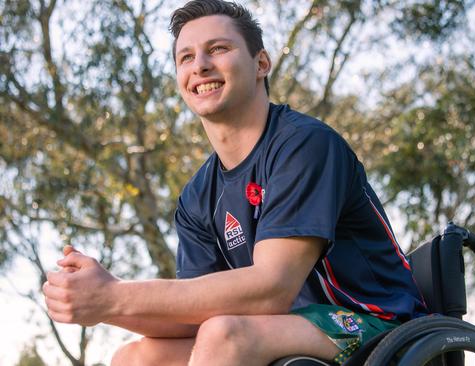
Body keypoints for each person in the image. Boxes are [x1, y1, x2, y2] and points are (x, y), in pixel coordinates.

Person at [42, 1, 427, 365]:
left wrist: (115, 296)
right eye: (186, 57)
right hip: (283, 334)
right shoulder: (197, 196)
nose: (201, 66)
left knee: (224, 334)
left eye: (218, 48)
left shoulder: (304, 145)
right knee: (137, 357)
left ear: (261, 63)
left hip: (378, 328)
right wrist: (99, 303)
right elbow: (191, 314)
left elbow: (272, 288)